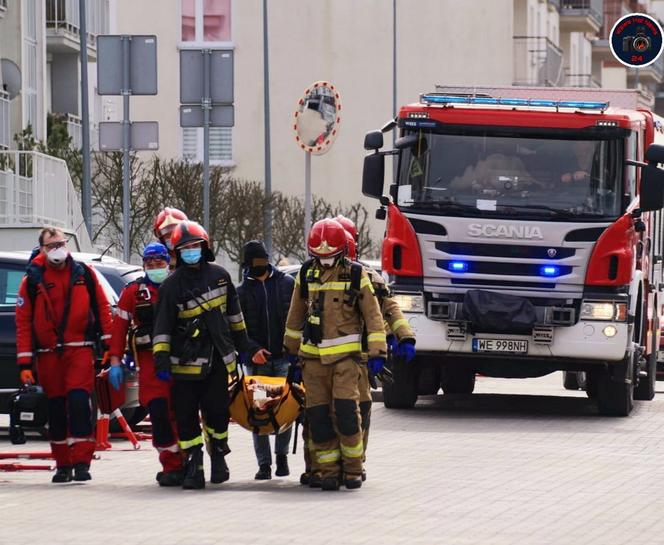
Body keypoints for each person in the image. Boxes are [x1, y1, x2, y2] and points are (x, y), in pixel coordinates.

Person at [283, 218, 387, 491]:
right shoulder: (306, 274)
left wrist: (378, 352)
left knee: (346, 413)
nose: (325, 261)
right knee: (317, 417)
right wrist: (291, 354)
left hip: (346, 359)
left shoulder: (355, 274)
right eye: (320, 256)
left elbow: (373, 315)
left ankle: (352, 470)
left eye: (329, 256)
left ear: (341, 251)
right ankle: (328, 471)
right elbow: (295, 316)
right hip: (312, 359)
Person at [152, 221, 254, 490]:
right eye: (185, 248)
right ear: (177, 252)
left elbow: (235, 317)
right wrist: (161, 361)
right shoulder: (171, 286)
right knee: (186, 418)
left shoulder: (220, 276)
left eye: (194, 246)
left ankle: (219, 455)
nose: (190, 252)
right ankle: (194, 465)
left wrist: (244, 347)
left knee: (218, 413)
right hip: (183, 365)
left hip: (218, 361)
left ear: (204, 246)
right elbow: (162, 328)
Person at [15, 227, 112, 483]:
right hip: (48, 355)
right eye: (52, 245)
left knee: (80, 404)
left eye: (61, 243)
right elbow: (23, 323)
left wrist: (109, 345)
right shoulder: (32, 281)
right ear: (42, 249)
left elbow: (102, 308)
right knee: (56, 410)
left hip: (79, 349)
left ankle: (82, 462)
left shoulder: (84, 274)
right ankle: (62, 464)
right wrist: (25, 362)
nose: (58, 248)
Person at [338, 216, 415, 481]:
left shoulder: (367, 276)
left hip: (360, 357)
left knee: (359, 410)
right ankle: (327, 465)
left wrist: (403, 336)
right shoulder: (313, 275)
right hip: (329, 358)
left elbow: (388, 308)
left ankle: (354, 462)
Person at [107, 242, 183, 487]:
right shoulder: (134, 292)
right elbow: (119, 328)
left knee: (182, 413)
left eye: (159, 263)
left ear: (168, 263)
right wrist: (116, 360)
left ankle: (190, 461)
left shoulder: (180, 287)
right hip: (150, 365)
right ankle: (171, 463)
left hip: (181, 360)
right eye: (149, 264)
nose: (154, 267)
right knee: (159, 412)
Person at [237, 240, 295, 480]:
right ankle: (264, 465)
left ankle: (281, 456)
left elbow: (296, 318)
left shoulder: (286, 284)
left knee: (285, 411)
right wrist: (252, 350)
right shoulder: (241, 292)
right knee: (260, 413)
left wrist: (292, 349)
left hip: (283, 358)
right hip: (259, 361)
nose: (257, 267)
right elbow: (239, 328)